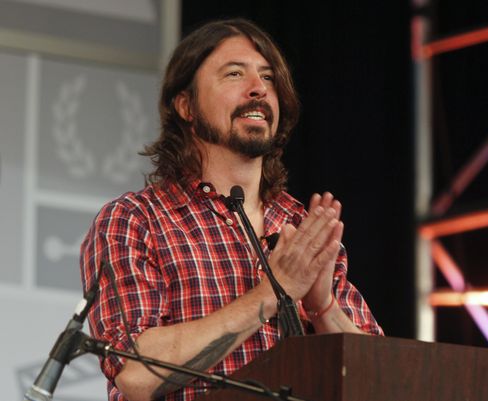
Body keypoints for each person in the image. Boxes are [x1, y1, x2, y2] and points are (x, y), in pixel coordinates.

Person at [80, 18, 382, 401]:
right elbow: (137, 373)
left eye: (268, 77)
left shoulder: (301, 229)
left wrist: (323, 308)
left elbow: (383, 381)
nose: (259, 88)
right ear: (186, 106)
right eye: (234, 74)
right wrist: (271, 293)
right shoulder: (136, 220)